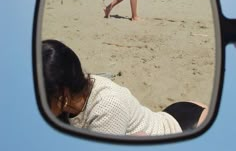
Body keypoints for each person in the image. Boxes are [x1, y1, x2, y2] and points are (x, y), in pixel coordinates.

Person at [42, 39, 208, 136]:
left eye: (39, 95)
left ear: (63, 94)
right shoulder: (70, 98)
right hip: (165, 115)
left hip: (178, 129)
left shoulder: (105, 106)